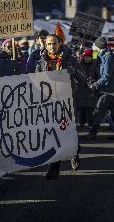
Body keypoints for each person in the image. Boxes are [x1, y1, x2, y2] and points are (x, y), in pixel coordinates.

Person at [36, 34, 81, 178]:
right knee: (53, 135)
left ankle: (74, 152)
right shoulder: (41, 62)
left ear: (60, 44)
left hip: (66, 101)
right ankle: (54, 169)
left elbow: (82, 77)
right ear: (45, 45)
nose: (51, 46)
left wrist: (71, 71)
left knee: (67, 132)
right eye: (49, 44)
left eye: (54, 43)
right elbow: (35, 81)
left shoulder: (70, 59)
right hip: (50, 103)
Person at [84, 37, 114, 141]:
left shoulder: (108, 57)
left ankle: (92, 133)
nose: (93, 47)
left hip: (108, 90)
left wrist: (96, 84)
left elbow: (106, 75)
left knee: (98, 112)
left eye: (95, 45)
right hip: (108, 89)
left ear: (98, 46)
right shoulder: (101, 55)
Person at [74, 49, 98, 128]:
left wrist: (95, 82)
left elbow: (97, 75)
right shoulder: (79, 65)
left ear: (91, 57)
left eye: (89, 57)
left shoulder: (95, 65)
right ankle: (82, 123)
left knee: (90, 109)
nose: (87, 58)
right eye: (86, 57)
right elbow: (76, 76)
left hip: (91, 90)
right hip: (81, 89)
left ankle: (91, 123)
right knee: (82, 109)